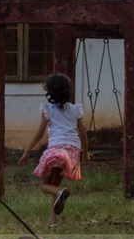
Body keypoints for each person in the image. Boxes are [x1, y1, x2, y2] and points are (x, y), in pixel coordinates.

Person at [18, 73, 90, 229]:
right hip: (71, 151)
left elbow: (39, 133)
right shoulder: (75, 109)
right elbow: (83, 133)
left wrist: (27, 152)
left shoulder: (47, 109)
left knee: (45, 186)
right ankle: (52, 222)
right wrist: (86, 152)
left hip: (56, 150)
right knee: (55, 187)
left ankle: (61, 192)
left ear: (50, 91)